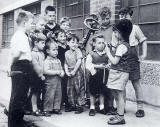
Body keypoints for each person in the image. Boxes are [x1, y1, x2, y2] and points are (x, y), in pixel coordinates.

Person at [112, 7, 147, 117]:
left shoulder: (135, 28)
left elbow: (143, 41)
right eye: (121, 16)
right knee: (121, 84)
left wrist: (144, 54)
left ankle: (140, 108)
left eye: (125, 16)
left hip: (132, 57)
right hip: (121, 57)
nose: (123, 18)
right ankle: (122, 107)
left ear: (130, 17)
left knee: (136, 82)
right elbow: (114, 46)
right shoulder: (116, 31)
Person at [7, 10, 34, 127]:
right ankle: (15, 124)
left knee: (20, 95)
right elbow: (17, 54)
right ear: (24, 23)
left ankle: (18, 121)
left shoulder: (21, 35)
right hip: (21, 66)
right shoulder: (20, 36)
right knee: (18, 96)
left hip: (22, 66)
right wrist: (10, 66)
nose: (33, 25)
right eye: (31, 23)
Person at [106, 19, 133, 125]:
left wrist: (107, 51)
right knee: (117, 94)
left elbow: (115, 61)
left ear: (121, 33)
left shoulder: (122, 46)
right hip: (119, 72)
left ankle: (121, 117)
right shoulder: (122, 44)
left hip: (120, 73)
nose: (114, 33)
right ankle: (118, 114)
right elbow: (117, 61)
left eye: (116, 32)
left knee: (120, 95)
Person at [86, 35, 110, 116]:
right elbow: (88, 65)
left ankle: (101, 107)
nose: (102, 44)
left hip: (103, 76)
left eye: (103, 43)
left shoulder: (106, 54)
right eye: (99, 43)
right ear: (94, 44)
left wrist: (108, 66)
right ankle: (92, 107)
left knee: (102, 91)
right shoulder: (92, 54)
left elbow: (109, 62)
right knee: (92, 92)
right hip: (94, 75)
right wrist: (98, 66)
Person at [64, 34, 85, 114]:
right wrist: (66, 71)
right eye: (73, 42)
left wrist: (74, 71)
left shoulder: (78, 51)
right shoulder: (66, 53)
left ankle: (80, 105)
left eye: (76, 42)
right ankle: (72, 105)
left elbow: (79, 61)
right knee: (70, 89)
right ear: (68, 43)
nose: (75, 44)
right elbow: (65, 63)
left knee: (78, 88)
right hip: (69, 72)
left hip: (77, 72)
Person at [43, 42, 64, 116]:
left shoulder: (58, 60)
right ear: (48, 51)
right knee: (49, 95)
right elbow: (45, 71)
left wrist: (62, 72)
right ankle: (47, 109)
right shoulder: (47, 61)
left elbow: (61, 69)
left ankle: (56, 108)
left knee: (58, 94)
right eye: (54, 50)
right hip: (50, 82)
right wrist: (57, 72)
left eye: (57, 50)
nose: (56, 52)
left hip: (58, 81)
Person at [54, 29, 70, 111]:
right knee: (61, 87)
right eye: (61, 36)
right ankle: (60, 104)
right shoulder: (56, 47)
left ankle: (68, 103)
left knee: (67, 86)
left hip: (67, 67)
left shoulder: (68, 46)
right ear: (56, 38)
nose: (63, 38)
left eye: (64, 36)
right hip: (60, 67)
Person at [30, 32, 46, 116]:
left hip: (42, 76)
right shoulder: (33, 54)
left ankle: (39, 107)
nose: (44, 45)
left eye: (44, 43)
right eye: (42, 43)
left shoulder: (42, 53)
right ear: (36, 43)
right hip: (36, 76)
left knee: (39, 92)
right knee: (35, 92)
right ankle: (34, 108)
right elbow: (36, 65)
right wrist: (41, 75)